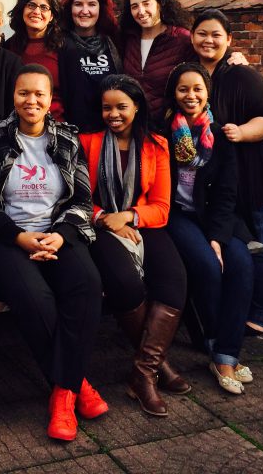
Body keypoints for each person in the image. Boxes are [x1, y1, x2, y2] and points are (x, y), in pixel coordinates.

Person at [0, 64, 106, 442]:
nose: (31, 101)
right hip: (5, 240)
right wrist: (19, 237)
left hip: (57, 234)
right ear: (13, 96)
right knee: (35, 298)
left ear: (51, 100)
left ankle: (62, 393)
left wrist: (61, 235)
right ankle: (75, 386)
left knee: (85, 284)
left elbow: (82, 199)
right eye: (23, 93)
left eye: (39, 94)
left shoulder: (67, 139)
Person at [79, 75, 189, 416]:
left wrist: (127, 216)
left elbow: (162, 206)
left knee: (173, 281)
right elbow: (77, 196)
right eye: (107, 107)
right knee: (125, 284)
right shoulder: (87, 142)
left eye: (122, 107)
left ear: (137, 106)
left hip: (140, 221)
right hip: (97, 227)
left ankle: (143, 372)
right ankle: (158, 367)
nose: (113, 114)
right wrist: (102, 217)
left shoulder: (156, 144)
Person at [161, 63, 254, 395]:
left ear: (207, 93)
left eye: (198, 89)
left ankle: (225, 353)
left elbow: (228, 190)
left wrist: (216, 236)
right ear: (174, 92)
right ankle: (215, 345)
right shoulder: (162, 132)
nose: (191, 95)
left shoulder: (220, 135)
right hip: (176, 215)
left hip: (215, 217)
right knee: (207, 266)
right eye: (183, 89)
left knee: (242, 264)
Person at [191, 8, 263, 336]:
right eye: (202, 33)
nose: (209, 40)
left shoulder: (241, 74)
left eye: (216, 35)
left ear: (229, 40)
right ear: (192, 36)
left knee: (258, 243)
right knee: (230, 247)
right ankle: (238, 307)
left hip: (247, 176)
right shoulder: (191, 74)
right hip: (212, 181)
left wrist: (241, 132)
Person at [58, 0, 122, 133]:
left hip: (110, 131)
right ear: (69, 8)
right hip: (72, 132)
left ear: (101, 8)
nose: (84, 11)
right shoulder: (58, 43)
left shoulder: (115, 41)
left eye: (92, 4)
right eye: (78, 4)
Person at [4, 0, 64, 120]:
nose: (36, 12)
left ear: (51, 16)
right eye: (31, 5)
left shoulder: (64, 48)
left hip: (57, 125)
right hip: (18, 126)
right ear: (22, 10)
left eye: (44, 7)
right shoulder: (8, 47)